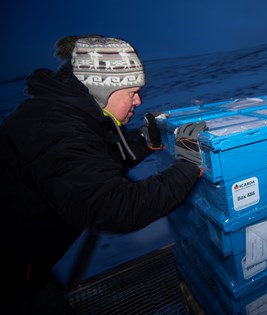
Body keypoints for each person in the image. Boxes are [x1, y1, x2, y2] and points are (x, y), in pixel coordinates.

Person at [0, 36, 206, 313]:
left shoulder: (65, 113)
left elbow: (94, 163)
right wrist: (189, 165)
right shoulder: (58, 130)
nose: (139, 100)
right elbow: (116, 208)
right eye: (132, 92)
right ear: (101, 89)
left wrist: (146, 142)